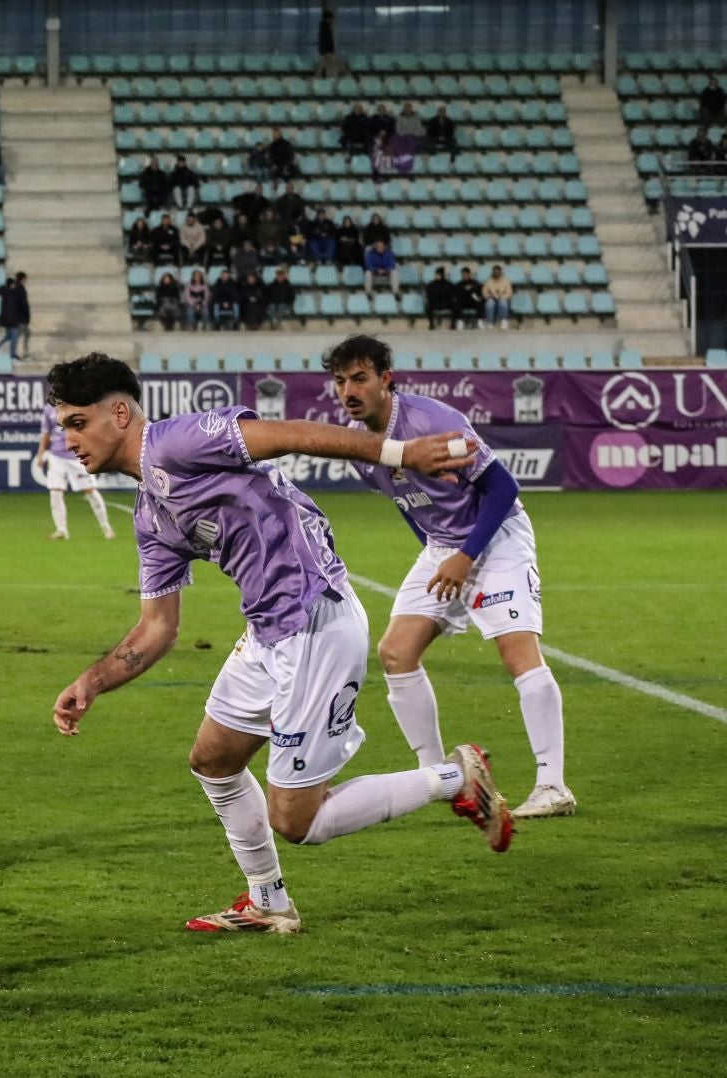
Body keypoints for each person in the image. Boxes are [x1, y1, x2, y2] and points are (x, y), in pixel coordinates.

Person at [43, 354, 514, 936]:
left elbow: (293, 435)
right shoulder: (150, 514)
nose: (67, 440)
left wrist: (399, 453)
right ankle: (268, 902)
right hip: (268, 630)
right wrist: (91, 681)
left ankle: (455, 777)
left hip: (316, 621)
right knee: (213, 763)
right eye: (62, 425)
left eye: (75, 423)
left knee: (299, 821)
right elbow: (158, 626)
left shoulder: (176, 441)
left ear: (119, 413)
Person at [325, 335, 573, 819]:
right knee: (396, 652)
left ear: (385, 380)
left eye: (359, 378)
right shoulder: (360, 447)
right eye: (339, 381)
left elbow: (502, 487)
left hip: (495, 536)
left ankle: (552, 785)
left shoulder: (433, 422)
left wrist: (467, 556)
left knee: (517, 651)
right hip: (443, 548)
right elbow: (407, 505)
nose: (348, 391)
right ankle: (440, 778)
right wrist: (440, 556)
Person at [35, 393, 113, 542]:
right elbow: (46, 433)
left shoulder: (78, 406)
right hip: (56, 456)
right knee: (55, 492)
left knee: (90, 491)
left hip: (76, 455)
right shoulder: (48, 410)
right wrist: (40, 455)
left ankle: (105, 526)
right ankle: (61, 530)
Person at [0, 272, 29, 361]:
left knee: (8, 336)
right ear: (11, 285)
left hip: (5, 319)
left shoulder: (5, 292)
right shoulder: (13, 293)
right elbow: (22, 304)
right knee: (14, 337)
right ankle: (12, 354)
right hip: (13, 319)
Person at [481, 265, 513, 330]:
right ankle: (490, 322)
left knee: (503, 302)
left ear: (500, 272)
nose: (496, 273)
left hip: (502, 298)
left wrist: (502, 297)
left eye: (497, 272)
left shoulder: (506, 281)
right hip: (492, 298)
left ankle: (504, 321)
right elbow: (484, 292)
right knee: (489, 303)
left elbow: (509, 293)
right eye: (494, 272)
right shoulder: (488, 281)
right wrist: (489, 296)